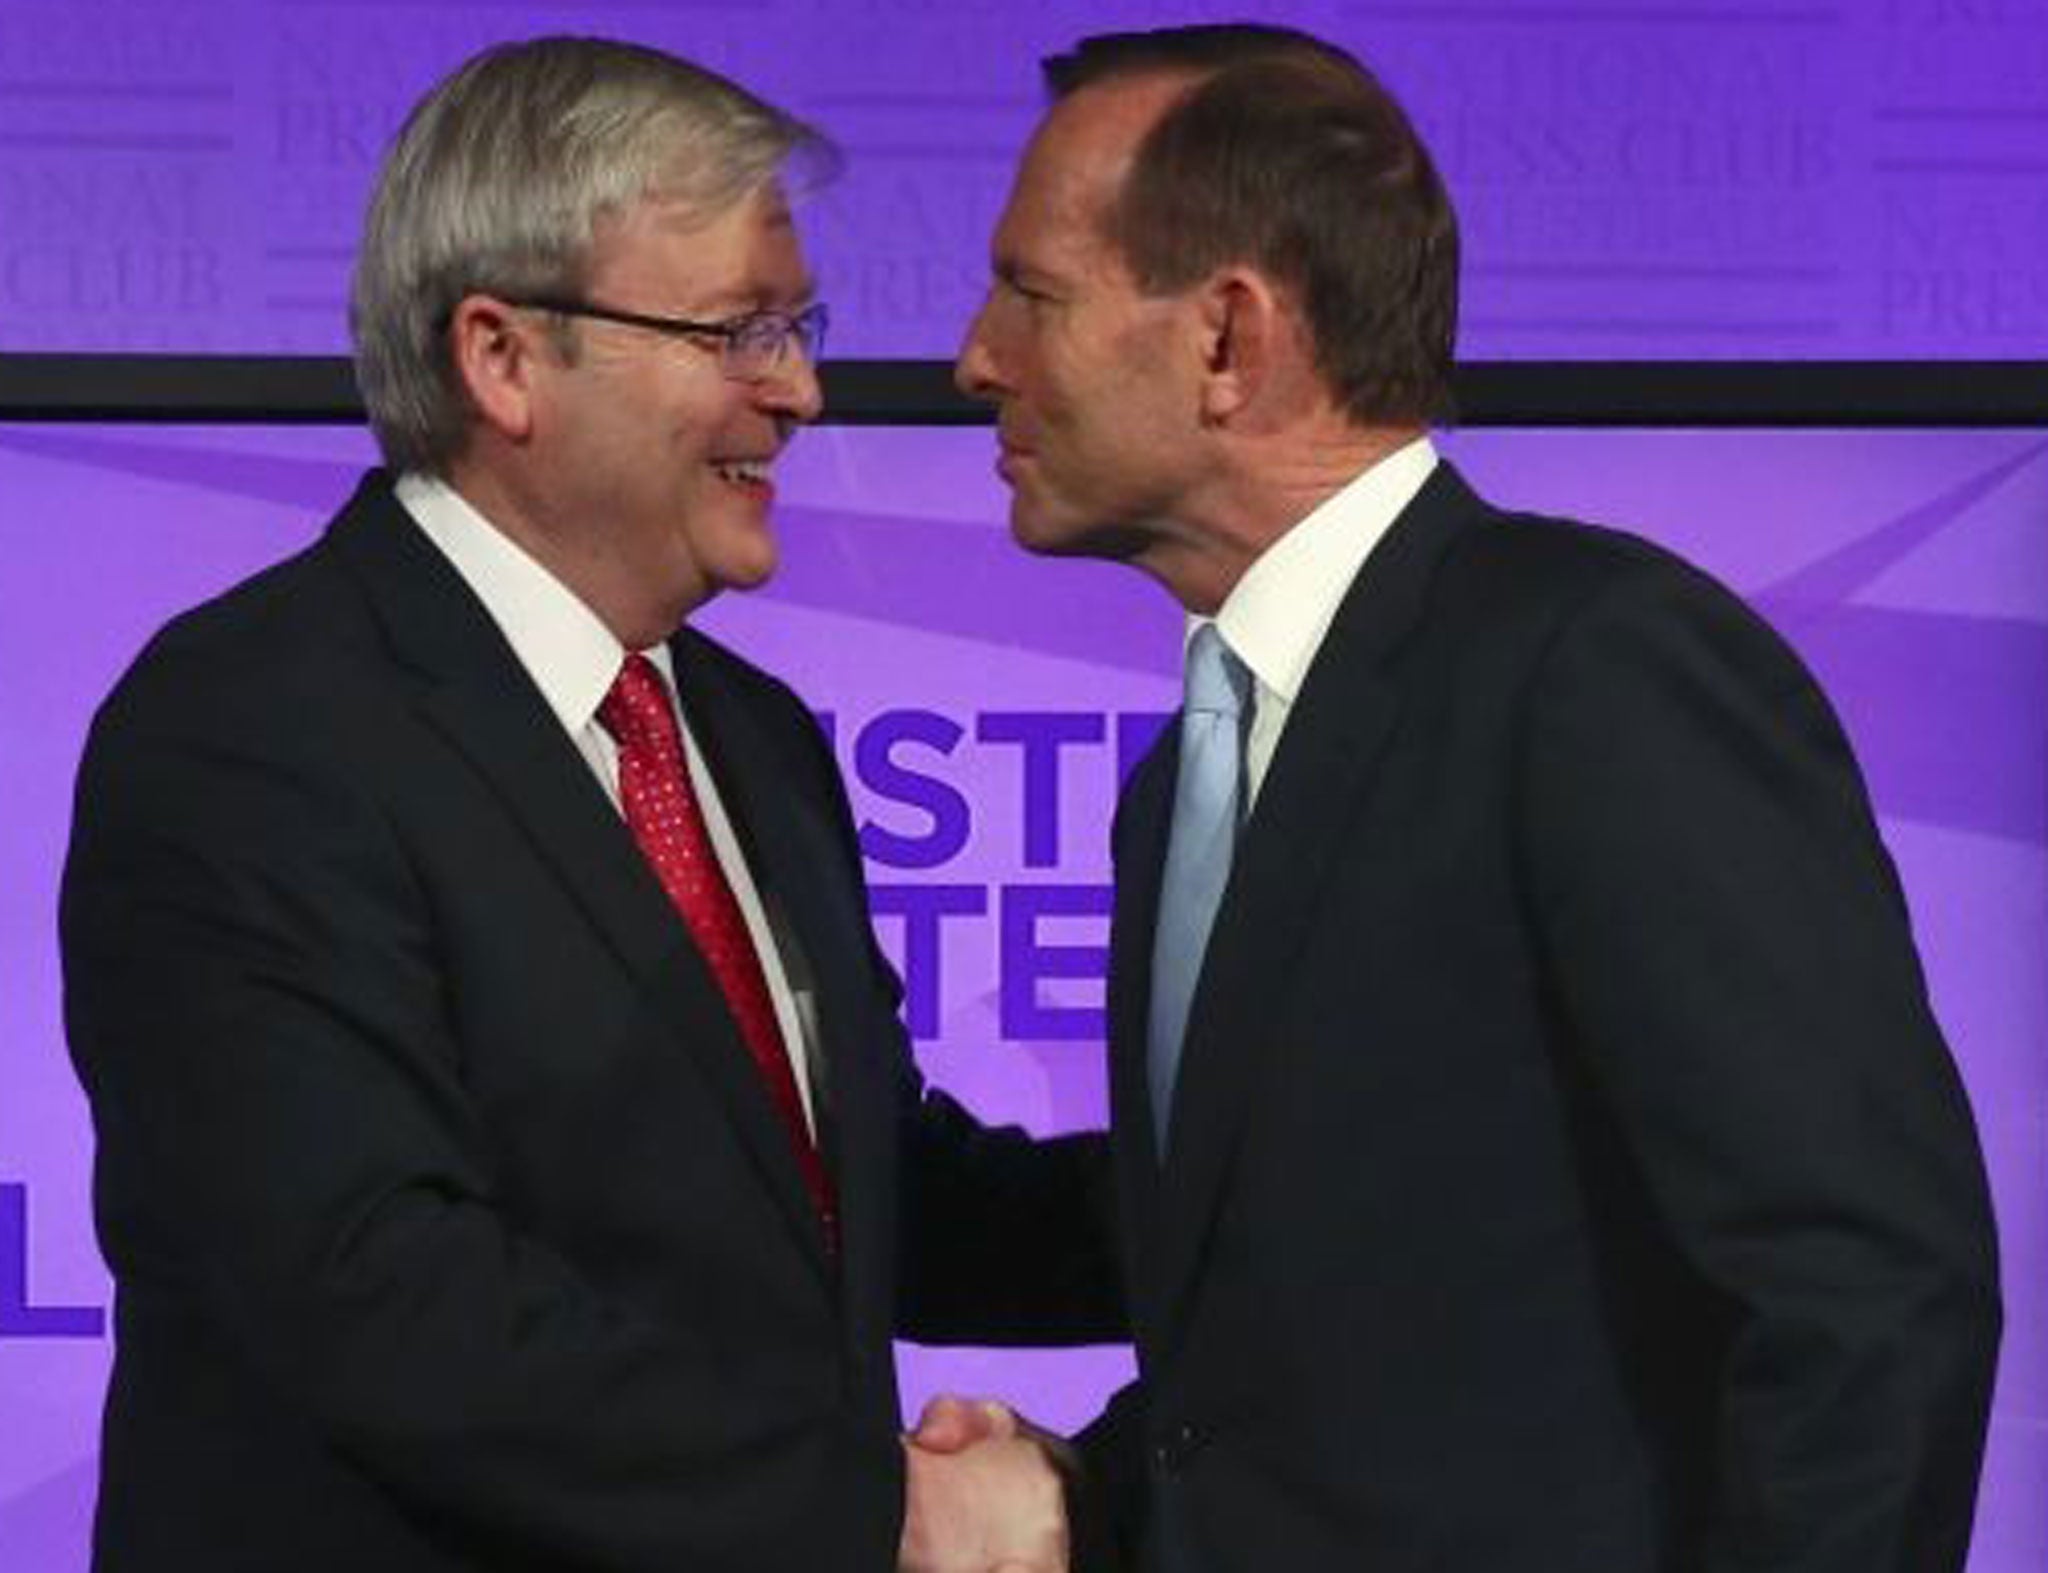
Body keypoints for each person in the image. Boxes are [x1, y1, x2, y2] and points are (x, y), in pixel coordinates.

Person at [939, 23, 2002, 1572]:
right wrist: (1085, 1492)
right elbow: (1346, 1312)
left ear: (1230, 338)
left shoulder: (1595, 669)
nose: (977, 354)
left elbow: (1866, 1292)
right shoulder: (1187, 778)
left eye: (1032, 294)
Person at [60, 36, 1115, 1573]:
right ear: (502, 358)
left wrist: (1244, 1205)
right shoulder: (253, 728)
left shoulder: (747, 735)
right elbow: (375, 1287)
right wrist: (885, 1508)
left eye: (798, 325)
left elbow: (862, 1193)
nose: (802, 390)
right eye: (738, 330)